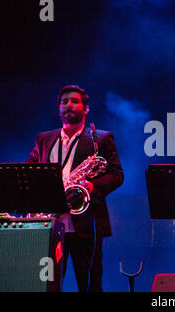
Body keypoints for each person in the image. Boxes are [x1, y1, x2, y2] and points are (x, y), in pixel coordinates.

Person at [28, 85, 124, 291]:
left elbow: (117, 175)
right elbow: (31, 172)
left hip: (86, 224)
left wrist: (91, 185)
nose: (68, 105)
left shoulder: (101, 138)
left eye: (74, 101)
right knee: (46, 285)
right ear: (58, 108)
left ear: (86, 108)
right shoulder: (44, 139)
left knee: (89, 285)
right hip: (50, 224)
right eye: (64, 102)